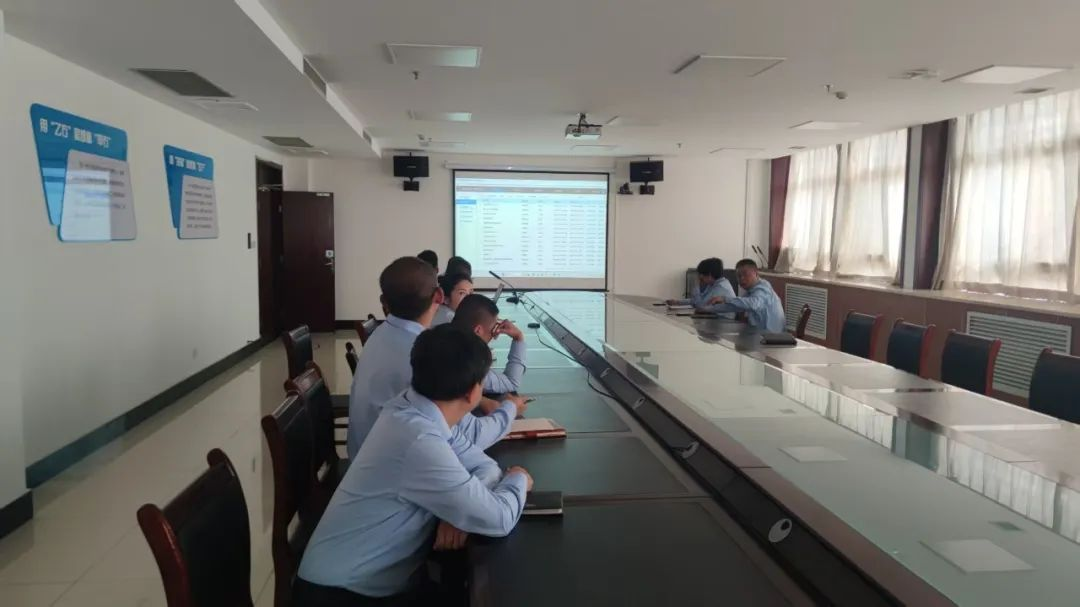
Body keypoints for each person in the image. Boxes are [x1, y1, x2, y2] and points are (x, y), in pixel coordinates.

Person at [295, 325, 533, 605]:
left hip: (364, 578)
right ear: (473, 393)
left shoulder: (413, 406)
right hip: (342, 594)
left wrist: (462, 509)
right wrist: (518, 478)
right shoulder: (420, 440)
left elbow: (485, 465)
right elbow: (499, 518)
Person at [347, 257, 525, 459]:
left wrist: (480, 401)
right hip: (397, 465)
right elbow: (474, 437)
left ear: (384, 302)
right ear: (439, 296)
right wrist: (511, 407)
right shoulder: (429, 353)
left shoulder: (381, 333)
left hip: (364, 457)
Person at [451, 294, 527, 393]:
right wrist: (518, 338)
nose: (495, 334)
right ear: (478, 330)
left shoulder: (438, 336)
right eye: (494, 328)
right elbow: (511, 383)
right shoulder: (469, 364)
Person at [704, 259, 786, 332]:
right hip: (760, 335)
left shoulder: (763, 289)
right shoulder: (750, 291)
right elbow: (734, 307)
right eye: (738, 276)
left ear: (756, 273)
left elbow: (753, 304)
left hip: (772, 338)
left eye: (745, 274)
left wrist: (725, 299)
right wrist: (708, 309)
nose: (742, 279)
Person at [666, 257, 737, 318]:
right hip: (713, 319)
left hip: (723, 322)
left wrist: (697, 286)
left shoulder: (721, 288)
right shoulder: (713, 284)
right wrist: (678, 302)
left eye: (701, 274)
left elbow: (701, 306)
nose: (699, 276)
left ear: (709, 274)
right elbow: (698, 300)